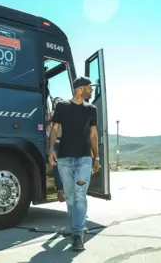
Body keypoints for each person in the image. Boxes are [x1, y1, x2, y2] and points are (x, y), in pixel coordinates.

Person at [49, 76, 99, 251]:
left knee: (79, 195)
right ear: (79, 89)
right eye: (89, 88)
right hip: (64, 159)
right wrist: (51, 150)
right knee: (70, 196)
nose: (91, 91)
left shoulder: (92, 109)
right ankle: (76, 223)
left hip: (84, 159)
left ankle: (77, 234)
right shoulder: (62, 107)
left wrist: (96, 156)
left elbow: (93, 135)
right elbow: (54, 130)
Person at [47, 97, 65, 202]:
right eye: (55, 102)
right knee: (57, 168)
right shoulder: (51, 114)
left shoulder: (66, 114)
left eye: (60, 102)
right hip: (55, 144)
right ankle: (59, 190)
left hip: (65, 144)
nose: (57, 104)